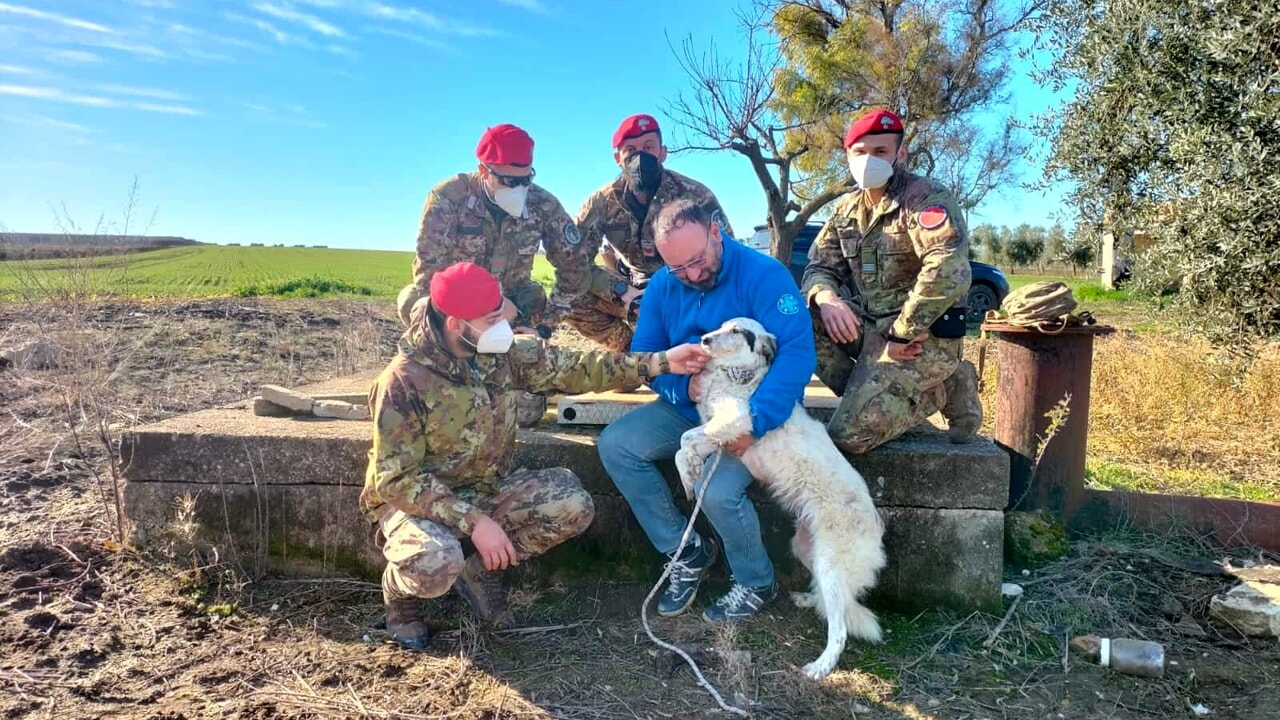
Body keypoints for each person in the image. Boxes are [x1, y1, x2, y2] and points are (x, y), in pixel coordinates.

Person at [363, 262, 709, 651]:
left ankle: (478, 571)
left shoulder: (500, 353)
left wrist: (661, 362)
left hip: (485, 489)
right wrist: (474, 521)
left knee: (573, 505)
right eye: (492, 318)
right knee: (436, 563)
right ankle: (401, 597)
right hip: (417, 507)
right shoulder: (402, 381)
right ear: (457, 324)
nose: (504, 324)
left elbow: (580, 368)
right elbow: (395, 480)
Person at [598, 199, 816, 622]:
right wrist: (682, 386)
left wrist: (757, 421)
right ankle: (685, 550)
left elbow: (798, 355)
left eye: (698, 260)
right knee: (617, 445)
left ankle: (756, 581)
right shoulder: (663, 286)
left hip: (755, 409)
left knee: (715, 490)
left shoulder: (766, 275)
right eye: (679, 268)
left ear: (716, 232)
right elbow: (647, 356)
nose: (692, 275)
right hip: (692, 405)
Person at [800, 108, 983, 455]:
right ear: (848, 155)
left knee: (848, 436)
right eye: (861, 152)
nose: (869, 160)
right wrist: (826, 298)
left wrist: (902, 331)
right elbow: (819, 267)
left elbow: (947, 268)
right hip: (870, 330)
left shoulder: (925, 198)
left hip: (919, 340)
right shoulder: (847, 210)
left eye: (880, 152)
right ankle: (867, 392)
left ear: (901, 153)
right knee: (798, 317)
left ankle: (945, 384)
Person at [565, 114, 736, 352]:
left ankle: (695, 350)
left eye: (648, 147)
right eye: (631, 149)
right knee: (569, 298)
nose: (640, 156)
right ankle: (635, 359)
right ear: (618, 158)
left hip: (688, 285)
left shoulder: (694, 194)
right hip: (634, 292)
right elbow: (573, 262)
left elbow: (728, 253)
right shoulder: (602, 202)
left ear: (662, 152)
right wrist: (623, 292)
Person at [395, 123, 589, 331]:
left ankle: (516, 346)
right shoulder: (449, 197)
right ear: (483, 171)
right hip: (458, 300)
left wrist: (544, 326)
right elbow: (430, 275)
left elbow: (575, 267)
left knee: (533, 297)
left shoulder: (543, 204)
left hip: (513, 306)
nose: (519, 189)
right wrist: (474, 313)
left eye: (526, 180)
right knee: (414, 301)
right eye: (508, 181)